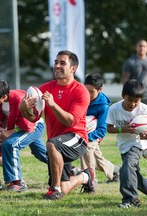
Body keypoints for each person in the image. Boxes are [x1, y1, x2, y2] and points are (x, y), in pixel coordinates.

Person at [20, 50, 95, 200]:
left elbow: (70, 121)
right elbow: (34, 118)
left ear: (73, 68)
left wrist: (53, 105)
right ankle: (86, 176)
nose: (57, 66)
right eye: (56, 62)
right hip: (56, 144)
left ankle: (55, 189)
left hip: (77, 139)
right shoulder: (45, 89)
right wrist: (23, 109)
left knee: (52, 145)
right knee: (66, 187)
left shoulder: (81, 91)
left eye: (62, 63)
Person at [0, 79, 48, 192]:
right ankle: (69, 169)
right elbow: (3, 123)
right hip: (23, 128)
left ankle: (17, 183)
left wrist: (10, 132)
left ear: (4, 96)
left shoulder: (18, 99)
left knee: (10, 145)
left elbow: (28, 124)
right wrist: (2, 132)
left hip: (34, 126)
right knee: (42, 154)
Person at [106, 79, 147, 208]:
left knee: (127, 168)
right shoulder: (114, 109)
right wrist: (122, 129)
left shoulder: (143, 108)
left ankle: (131, 199)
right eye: (130, 100)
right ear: (123, 95)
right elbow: (109, 128)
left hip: (138, 144)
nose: (133, 104)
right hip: (123, 146)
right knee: (131, 172)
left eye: (136, 101)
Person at [80, 73, 120, 183]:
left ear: (100, 90)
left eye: (91, 91)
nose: (87, 94)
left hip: (94, 135)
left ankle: (89, 181)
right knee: (96, 158)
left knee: (86, 148)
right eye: (85, 90)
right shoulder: (80, 98)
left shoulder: (103, 106)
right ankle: (116, 171)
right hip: (81, 131)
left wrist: (86, 136)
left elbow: (102, 130)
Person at [122, 39, 147, 110]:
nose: (142, 48)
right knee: (134, 117)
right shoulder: (130, 62)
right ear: (136, 47)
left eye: (144, 46)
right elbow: (125, 79)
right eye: (140, 46)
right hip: (134, 96)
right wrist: (126, 94)